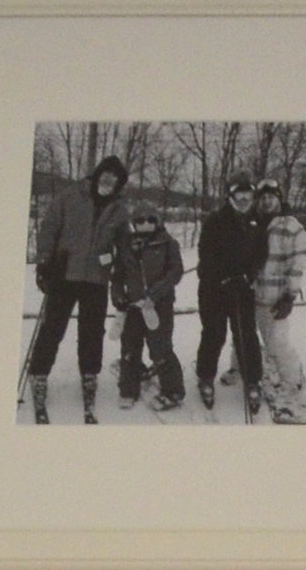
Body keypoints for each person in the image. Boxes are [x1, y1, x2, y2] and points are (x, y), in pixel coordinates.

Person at [24, 152, 130, 424]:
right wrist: (45, 261)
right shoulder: (70, 197)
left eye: (114, 179)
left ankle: (89, 376)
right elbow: (49, 228)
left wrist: (122, 267)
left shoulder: (119, 209)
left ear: (119, 184)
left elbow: (124, 244)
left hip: (96, 278)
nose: (108, 182)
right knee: (53, 328)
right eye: (105, 176)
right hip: (64, 274)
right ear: (97, 175)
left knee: (92, 332)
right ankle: (39, 374)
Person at [194, 182, 266, 418]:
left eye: (248, 195)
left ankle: (253, 380)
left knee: (246, 334)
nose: (244, 200)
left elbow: (261, 254)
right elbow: (205, 254)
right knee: (214, 333)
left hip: (242, 287)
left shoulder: (256, 222)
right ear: (231, 196)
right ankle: (205, 377)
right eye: (239, 195)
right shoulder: (216, 220)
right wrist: (222, 278)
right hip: (214, 288)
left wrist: (248, 276)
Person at [110, 202, 185, 412]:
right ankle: (128, 388)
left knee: (160, 347)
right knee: (130, 347)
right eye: (141, 220)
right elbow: (117, 276)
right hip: (134, 306)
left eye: (151, 220)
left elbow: (175, 272)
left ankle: (173, 390)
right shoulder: (126, 245)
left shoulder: (168, 243)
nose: (146, 224)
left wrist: (155, 294)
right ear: (135, 223)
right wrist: (118, 296)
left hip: (158, 305)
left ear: (157, 221)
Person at [252, 179, 306, 424]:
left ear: (279, 198)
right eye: (263, 197)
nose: (267, 201)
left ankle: (293, 381)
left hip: (277, 298)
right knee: (254, 337)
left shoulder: (291, 226)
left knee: (278, 341)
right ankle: (245, 369)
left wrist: (290, 295)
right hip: (255, 295)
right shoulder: (254, 224)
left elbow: (297, 264)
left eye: (272, 196)